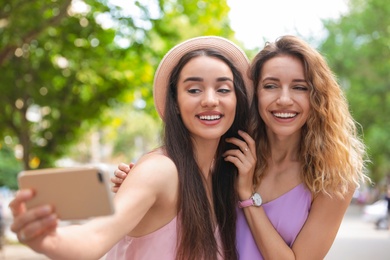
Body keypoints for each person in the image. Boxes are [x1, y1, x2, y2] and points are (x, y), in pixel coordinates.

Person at [112, 35, 370, 259]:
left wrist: (248, 197)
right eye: (270, 86)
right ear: (253, 93)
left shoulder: (334, 177)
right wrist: (138, 185)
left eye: (299, 87)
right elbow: (175, 194)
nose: (283, 99)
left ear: (318, 97)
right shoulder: (228, 153)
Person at [8, 36, 254, 260]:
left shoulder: (223, 178)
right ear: (175, 103)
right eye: (193, 90)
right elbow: (96, 235)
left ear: (237, 100)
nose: (210, 100)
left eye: (223, 89)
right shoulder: (161, 170)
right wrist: (49, 240)